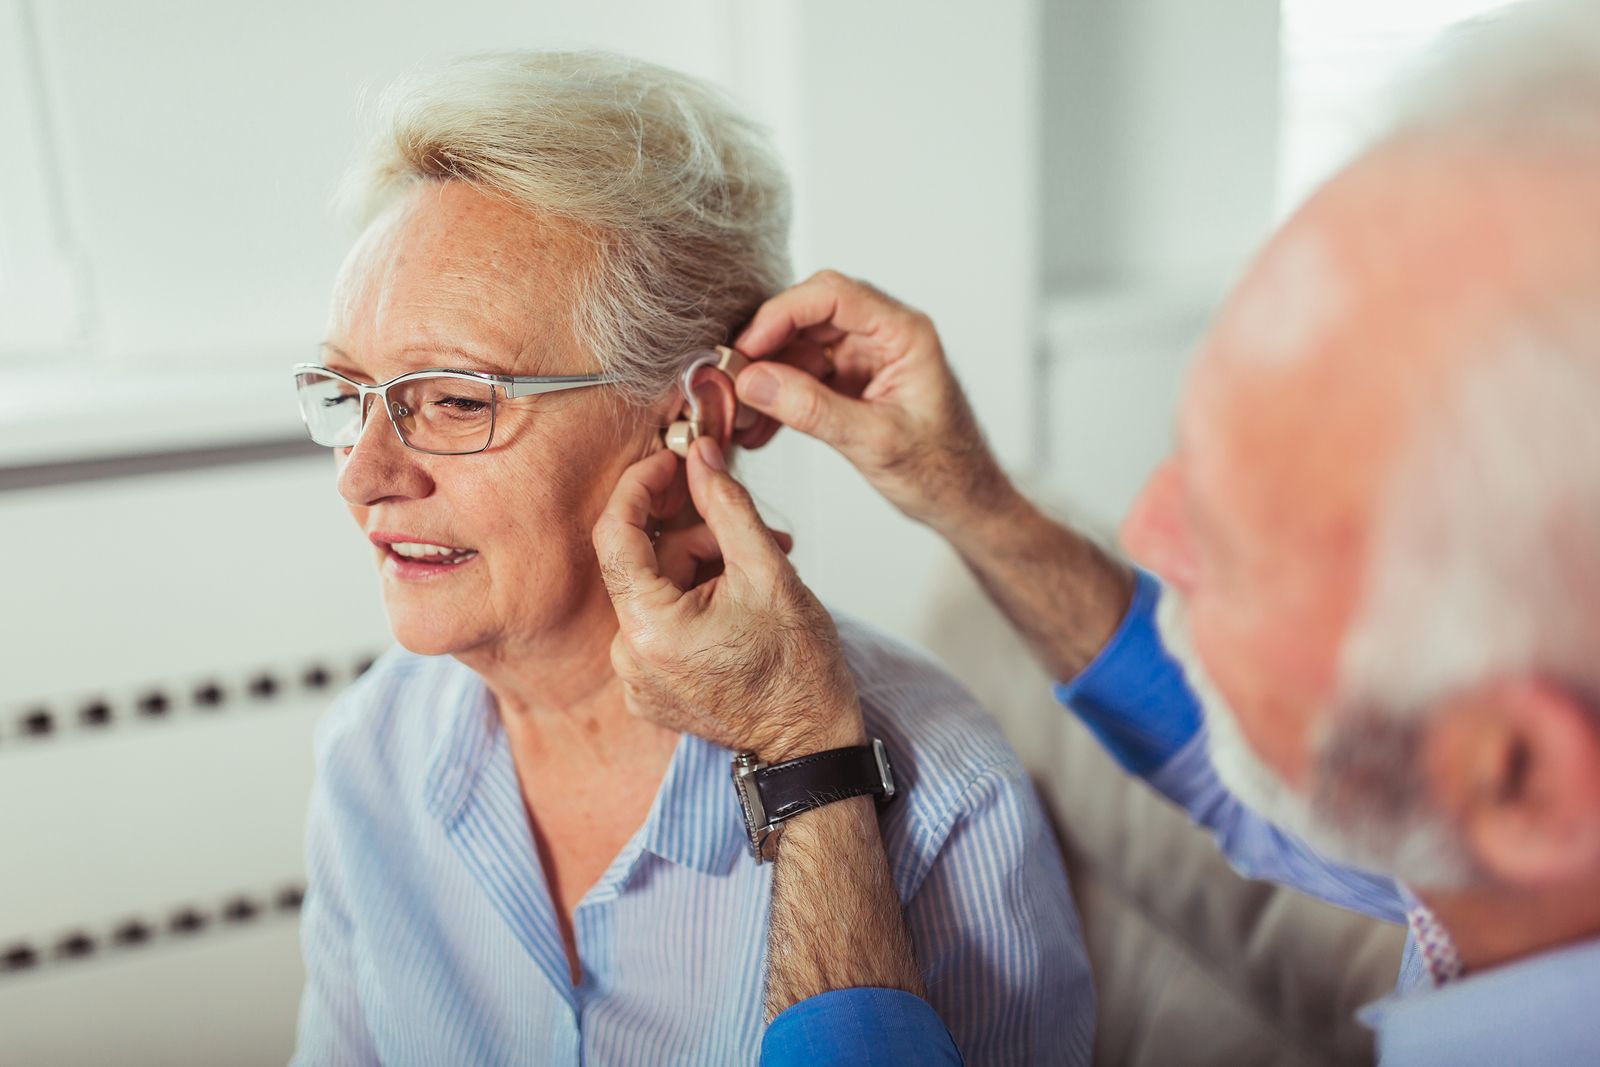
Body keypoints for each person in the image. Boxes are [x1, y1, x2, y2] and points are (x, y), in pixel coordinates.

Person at [593, 2, 1600, 1063]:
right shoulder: (1476, 833)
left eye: (1243, 539)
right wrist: (969, 495)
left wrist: (806, 760)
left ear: (1519, 775)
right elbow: (1250, 759)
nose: (1148, 533)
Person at [287, 50, 1094, 1066]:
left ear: (691, 412)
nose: (361, 475)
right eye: (347, 392)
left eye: (453, 397)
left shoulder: (944, 798)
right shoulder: (372, 748)